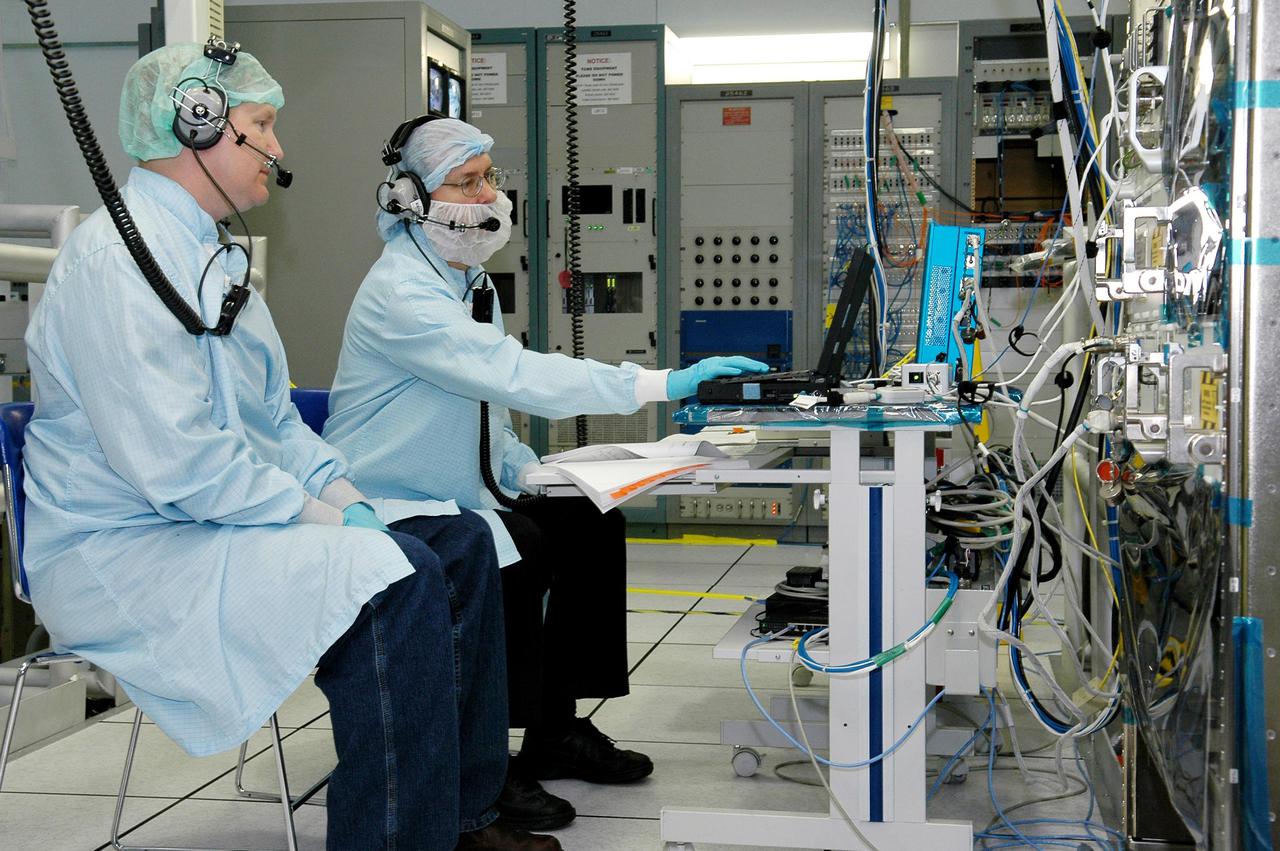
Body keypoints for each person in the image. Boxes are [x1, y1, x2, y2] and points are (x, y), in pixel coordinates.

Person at [22, 44, 556, 851]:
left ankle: (465, 816)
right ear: (197, 122)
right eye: (263, 124)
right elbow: (180, 468)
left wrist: (349, 500)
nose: (277, 147)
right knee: (394, 577)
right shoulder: (115, 264)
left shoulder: (212, 255)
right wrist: (329, 521)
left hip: (209, 518)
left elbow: (275, 426)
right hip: (131, 546)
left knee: (463, 543)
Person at [322, 115, 769, 830]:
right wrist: (660, 383)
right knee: (519, 546)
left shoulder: (467, 281)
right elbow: (510, 373)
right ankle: (490, 760)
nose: (488, 195)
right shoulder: (401, 293)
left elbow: (483, 407)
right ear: (410, 198)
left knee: (588, 516)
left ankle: (554, 727)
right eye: (466, 182)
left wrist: (533, 470)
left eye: (489, 177)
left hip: (464, 486)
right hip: (390, 499)